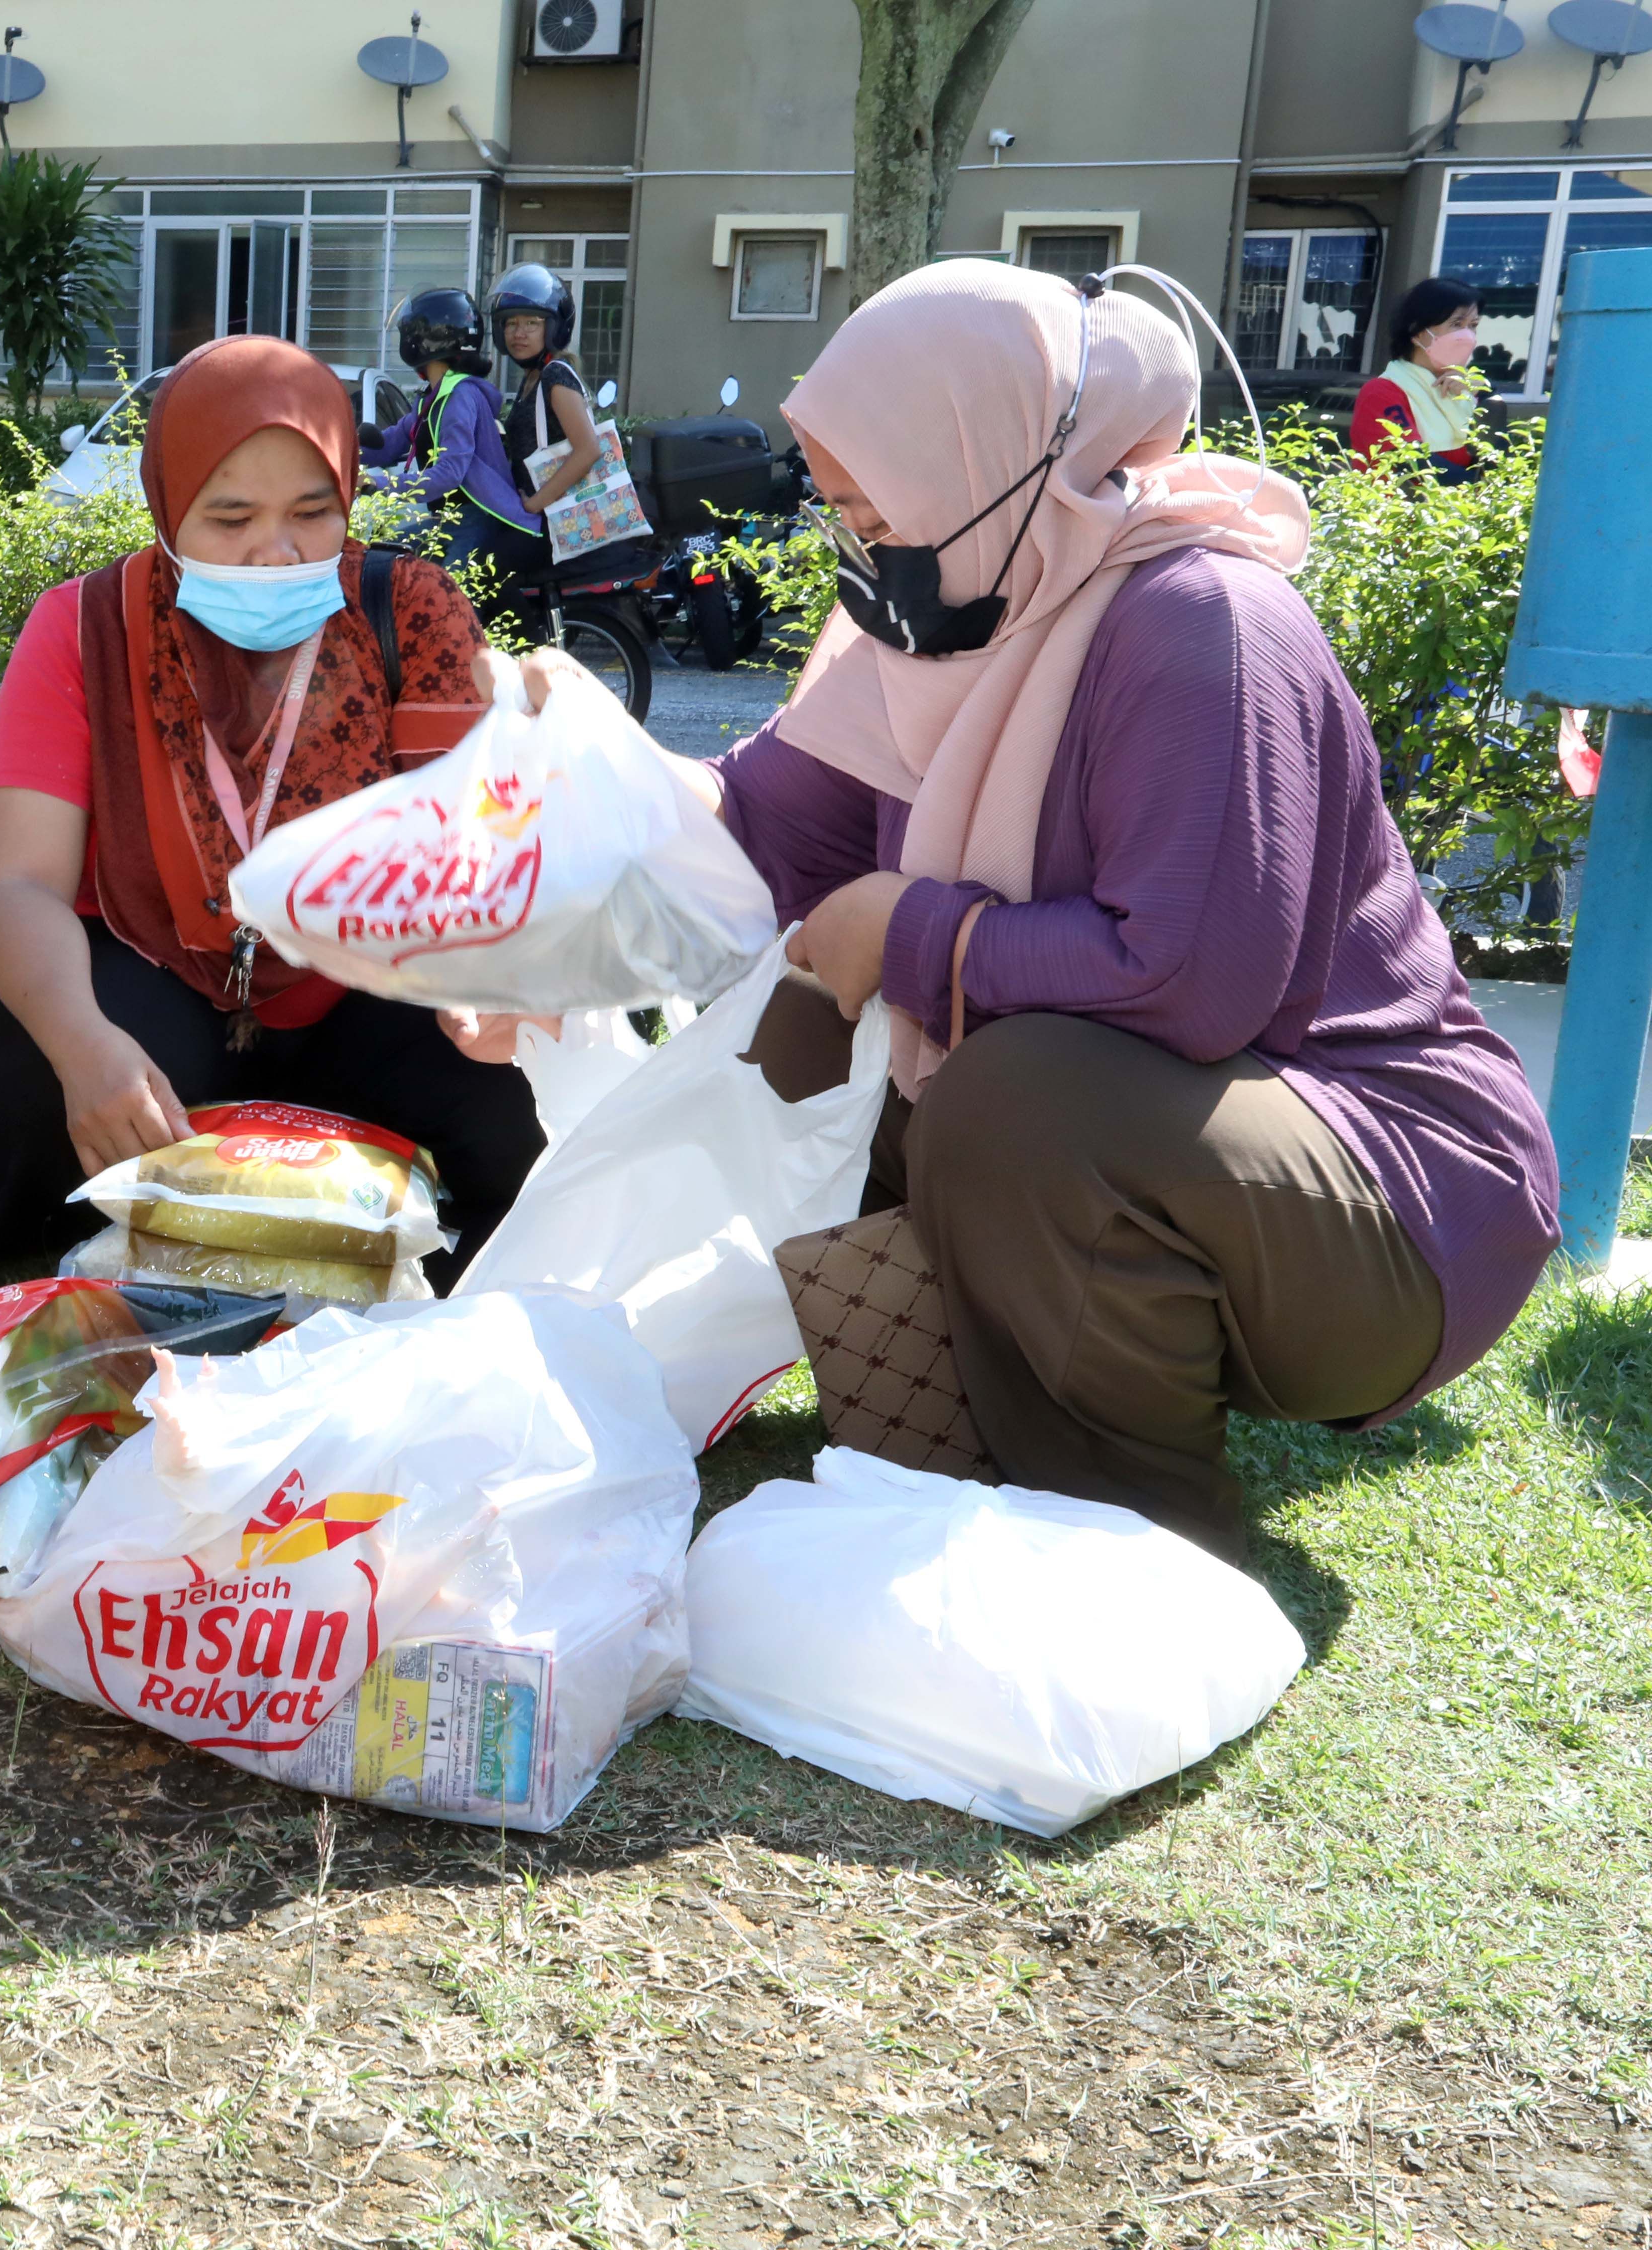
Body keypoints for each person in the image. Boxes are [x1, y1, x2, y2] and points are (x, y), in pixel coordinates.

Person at [469, 260, 1553, 1562]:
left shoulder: (1199, 623)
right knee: (806, 1038)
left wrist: (916, 931)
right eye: (841, 513)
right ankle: (928, 1433)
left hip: (1388, 1204)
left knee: (1010, 1086)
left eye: (878, 508)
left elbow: (1194, 981)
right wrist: (557, 874)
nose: (857, 546)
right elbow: (750, 825)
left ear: (981, 465)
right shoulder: (939, 621)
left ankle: (1113, 1550)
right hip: (1189, 1160)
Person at [0, 335, 544, 1277]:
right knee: (39, 1079)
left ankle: (399, 1224)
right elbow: (18, 883)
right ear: (167, 505)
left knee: (507, 1109)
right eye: (229, 517)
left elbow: (476, 849)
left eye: (313, 514)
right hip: (167, 976)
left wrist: (484, 980)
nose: (274, 552)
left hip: (369, 984)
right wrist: (85, 1053)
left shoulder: (409, 611)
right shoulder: (85, 628)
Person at [361, 285, 540, 623]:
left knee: (451, 614)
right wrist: (337, 450)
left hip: (476, 519)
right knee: (380, 561)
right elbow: (390, 443)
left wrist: (377, 483)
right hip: (449, 520)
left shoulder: (460, 398)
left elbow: (448, 475)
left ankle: (468, 672)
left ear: (425, 339)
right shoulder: (433, 397)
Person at [489, 262, 614, 538]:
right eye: (511, 323)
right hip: (533, 517)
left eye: (532, 323)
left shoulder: (555, 377)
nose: (519, 333)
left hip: (556, 525)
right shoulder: (533, 377)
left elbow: (588, 450)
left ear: (555, 328)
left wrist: (535, 504)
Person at [1350, 277, 1487, 480]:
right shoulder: (1383, 392)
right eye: (1457, 324)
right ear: (1418, 332)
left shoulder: (1467, 389)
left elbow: (1501, 460)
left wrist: (1484, 396)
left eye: (1473, 325)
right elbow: (1412, 465)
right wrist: (1481, 487)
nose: (1468, 335)